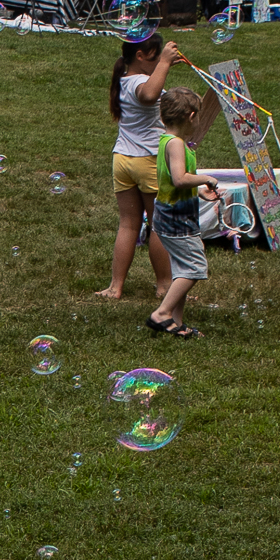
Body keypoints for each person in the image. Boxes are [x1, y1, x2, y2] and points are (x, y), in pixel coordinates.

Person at [95, 31, 182, 302]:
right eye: (155, 58)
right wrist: (166, 63)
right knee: (158, 225)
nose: (159, 64)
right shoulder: (141, 82)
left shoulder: (123, 79)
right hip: (148, 161)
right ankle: (165, 285)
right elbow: (148, 94)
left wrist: (163, 64)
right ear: (141, 56)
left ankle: (115, 287)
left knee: (128, 225)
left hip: (122, 160)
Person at [147, 88, 224, 339]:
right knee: (194, 266)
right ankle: (162, 314)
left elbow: (172, 181)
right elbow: (180, 179)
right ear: (192, 116)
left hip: (172, 212)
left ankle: (176, 323)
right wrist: (207, 178)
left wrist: (199, 193)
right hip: (176, 219)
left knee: (182, 267)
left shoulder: (166, 141)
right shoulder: (177, 144)